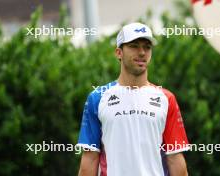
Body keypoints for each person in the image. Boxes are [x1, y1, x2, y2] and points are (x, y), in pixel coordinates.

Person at [77, 22, 190, 176]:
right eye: (134, 46)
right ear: (118, 53)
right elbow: (89, 159)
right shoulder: (97, 98)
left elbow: (175, 159)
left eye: (147, 47)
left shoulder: (166, 98)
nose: (142, 52)